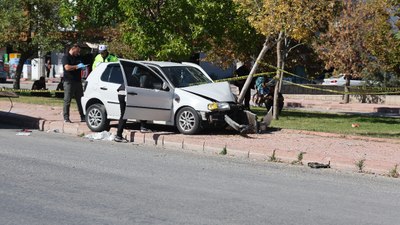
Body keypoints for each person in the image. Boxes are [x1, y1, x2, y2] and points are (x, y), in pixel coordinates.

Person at [62, 43, 86, 123]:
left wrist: (82, 67)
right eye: (78, 50)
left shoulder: (78, 57)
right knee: (67, 100)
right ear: (73, 48)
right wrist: (77, 67)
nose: (78, 52)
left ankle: (83, 116)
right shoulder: (66, 57)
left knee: (80, 100)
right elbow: (67, 67)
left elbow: (80, 66)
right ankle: (66, 117)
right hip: (69, 81)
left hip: (78, 81)